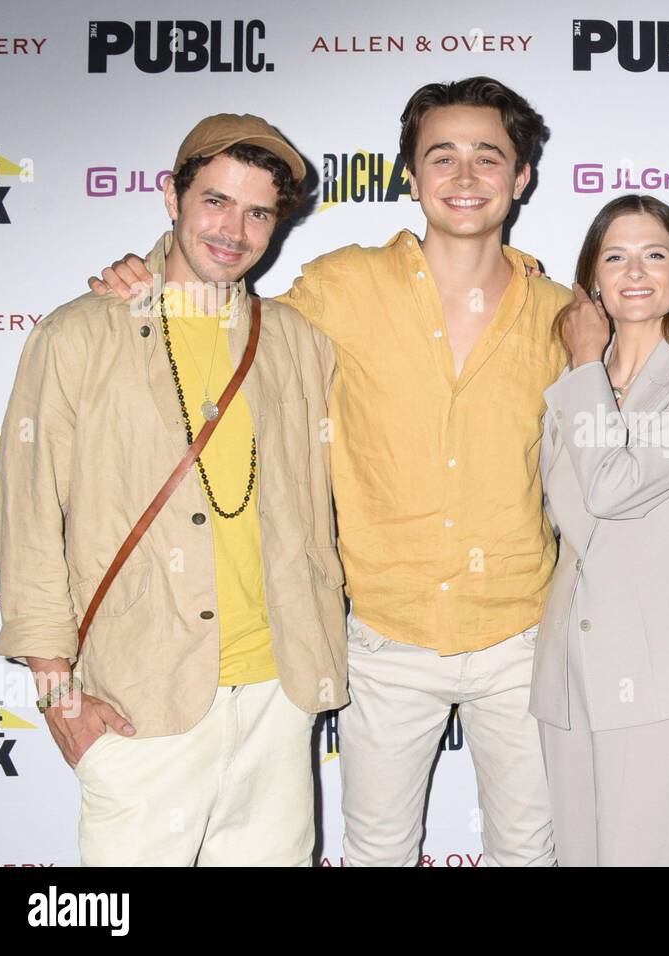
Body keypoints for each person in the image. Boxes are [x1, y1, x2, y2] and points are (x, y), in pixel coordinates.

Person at [90, 77, 569, 867]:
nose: (464, 175)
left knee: (530, 849)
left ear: (521, 179)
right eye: (440, 156)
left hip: (522, 632)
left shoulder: (561, 312)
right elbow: (227, 318)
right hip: (382, 632)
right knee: (375, 851)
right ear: (409, 177)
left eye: (490, 157)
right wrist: (139, 271)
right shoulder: (340, 286)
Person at [0, 114, 345, 865]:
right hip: (138, 703)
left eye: (258, 211)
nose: (234, 229)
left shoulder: (297, 343)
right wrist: (58, 699)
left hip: (278, 699)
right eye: (215, 200)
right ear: (169, 196)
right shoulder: (80, 334)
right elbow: (26, 522)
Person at [532, 195, 669, 866]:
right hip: (567, 672)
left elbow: (612, 489)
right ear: (592, 278)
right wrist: (583, 371)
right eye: (615, 256)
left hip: (655, 673)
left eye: (654, 255)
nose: (635, 272)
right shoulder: (568, 384)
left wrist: (586, 366)